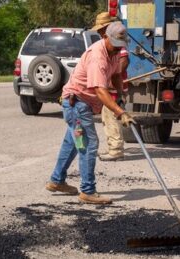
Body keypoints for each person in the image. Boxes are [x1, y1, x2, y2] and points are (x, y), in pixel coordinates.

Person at [45, 22, 136, 204]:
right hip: (76, 104)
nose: (118, 49)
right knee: (89, 144)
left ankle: (56, 181)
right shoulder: (98, 56)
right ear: (105, 37)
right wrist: (120, 112)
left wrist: (120, 96)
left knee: (72, 143)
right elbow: (100, 90)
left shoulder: (114, 52)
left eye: (121, 46)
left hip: (82, 104)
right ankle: (88, 191)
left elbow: (116, 75)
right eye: (115, 45)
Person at [91, 12, 130, 161]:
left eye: (102, 28)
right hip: (110, 86)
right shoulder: (105, 42)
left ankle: (115, 150)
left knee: (110, 116)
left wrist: (113, 77)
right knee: (110, 116)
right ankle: (115, 148)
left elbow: (124, 61)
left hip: (113, 88)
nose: (100, 31)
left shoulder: (116, 39)